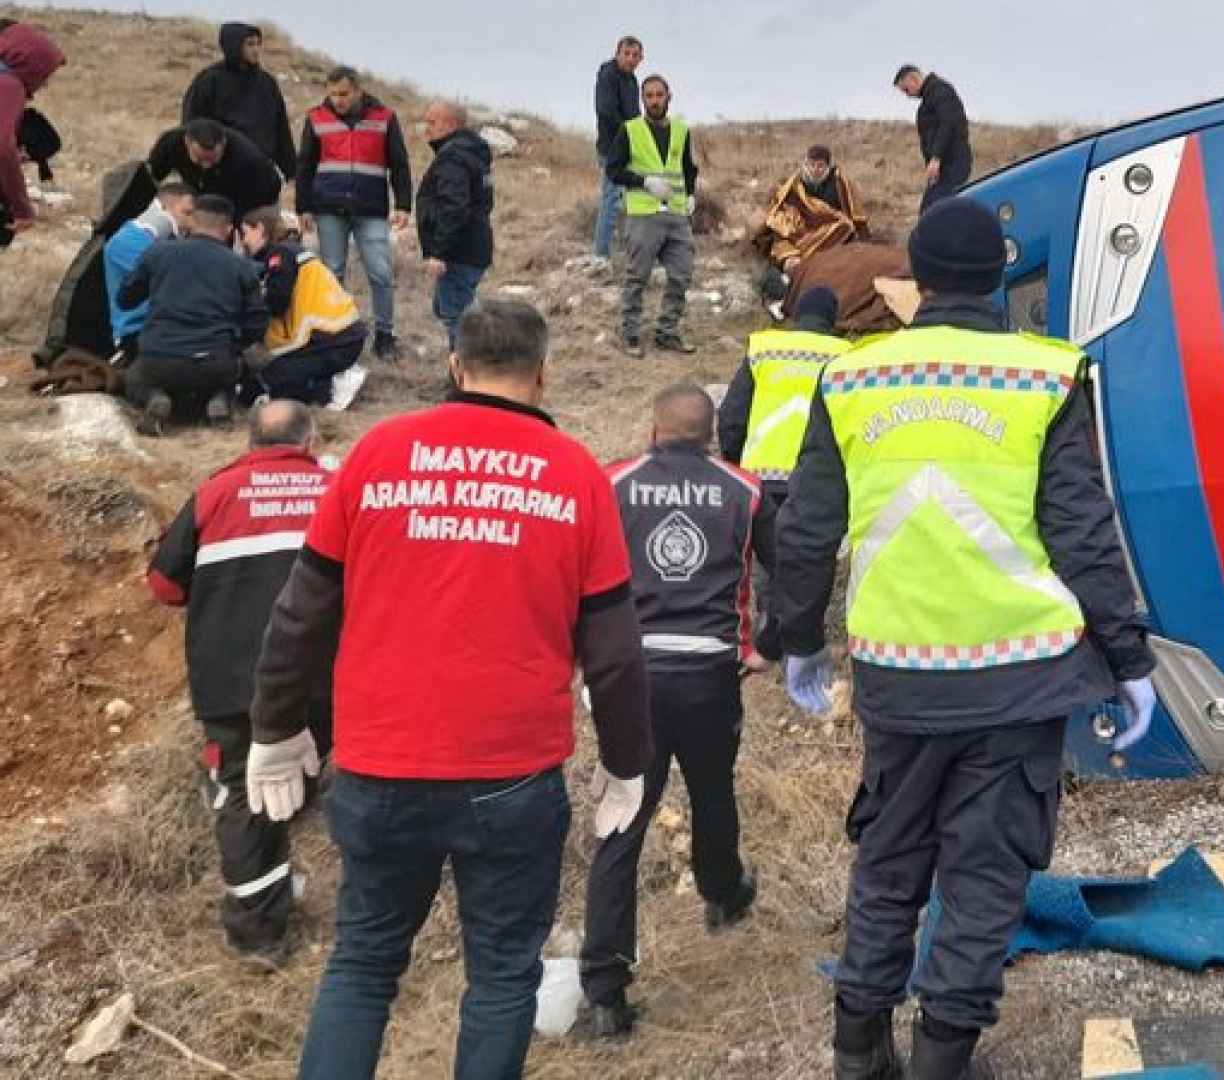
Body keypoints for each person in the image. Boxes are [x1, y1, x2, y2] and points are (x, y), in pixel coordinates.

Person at [775, 198, 1157, 1078]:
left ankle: (857, 1054)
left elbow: (806, 528)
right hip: (1020, 678)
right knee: (986, 876)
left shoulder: (854, 377)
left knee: (888, 861)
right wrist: (1128, 657)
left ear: (916, 279)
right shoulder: (1047, 376)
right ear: (999, 281)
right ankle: (943, 1060)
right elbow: (1082, 531)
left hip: (899, 677)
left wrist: (800, 640)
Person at [246, 297, 654, 1080]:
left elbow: (300, 611)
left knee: (363, 963)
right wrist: (627, 759)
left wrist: (274, 724)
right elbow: (614, 650)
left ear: (456, 368)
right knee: (502, 975)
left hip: (379, 763)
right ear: (542, 374)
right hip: (510, 775)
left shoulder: (377, 452)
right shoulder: (576, 474)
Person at [581, 383, 777, 1040]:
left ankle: (606, 986)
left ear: (653, 428)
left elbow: (577, 572)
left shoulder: (612, 483)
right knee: (713, 788)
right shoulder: (745, 492)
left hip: (631, 676)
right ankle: (722, 891)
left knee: (622, 820)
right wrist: (770, 645)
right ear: (713, 431)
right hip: (708, 672)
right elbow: (793, 564)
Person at [148, 400, 332, 966]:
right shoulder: (336, 491)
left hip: (233, 684)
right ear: (311, 438)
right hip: (326, 678)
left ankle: (259, 940)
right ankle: (370, 928)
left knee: (241, 798)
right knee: (351, 782)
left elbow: (163, 586)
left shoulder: (213, 494)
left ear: (249, 442)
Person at [719, 286, 848, 656]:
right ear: (832, 320)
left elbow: (732, 414)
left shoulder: (765, 348)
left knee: (770, 552)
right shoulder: (844, 355)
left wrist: (733, 464)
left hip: (761, 471)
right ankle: (794, 631)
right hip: (814, 474)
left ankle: (770, 619)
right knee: (808, 554)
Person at [116, 194, 267, 436]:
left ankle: (155, 397)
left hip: (160, 358)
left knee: (134, 378)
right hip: (216, 361)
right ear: (229, 229)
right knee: (230, 376)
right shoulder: (242, 267)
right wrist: (234, 344)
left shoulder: (158, 253)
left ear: (192, 221)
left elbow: (125, 299)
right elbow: (257, 323)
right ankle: (219, 400)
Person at [296, 66, 412, 360]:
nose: (338, 100)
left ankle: (385, 336)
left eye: (344, 93)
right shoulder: (316, 118)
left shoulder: (384, 119)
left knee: (381, 273)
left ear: (358, 90)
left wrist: (403, 204)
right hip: (328, 208)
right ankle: (334, 332)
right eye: (332, 94)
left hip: (371, 209)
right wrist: (303, 207)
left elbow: (399, 164)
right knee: (332, 273)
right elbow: (305, 165)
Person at [238, 207, 368, 407]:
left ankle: (333, 386)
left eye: (245, 233)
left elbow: (278, 301)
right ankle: (324, 384)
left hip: (331, 338)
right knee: (275, 375)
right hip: (339, 337)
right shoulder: (296, 253)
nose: (244, 241)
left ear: (261, 229)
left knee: (268, 381)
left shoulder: (281, 255)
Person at [608, 74, 698, 356]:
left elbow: (687, 168)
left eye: (660, 95)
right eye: (649, 96)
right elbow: (613, 170)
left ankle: (667, 332)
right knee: (637, 277)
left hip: (676, 213)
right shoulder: (630, 130)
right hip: (644, 214)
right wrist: (644, 181)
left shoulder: (682, 130)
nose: (655, 101)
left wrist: (691, 194)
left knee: (681, 275)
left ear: (669, 96)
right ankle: (631, 334)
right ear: (643, 99)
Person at [416, 100, 495, 351]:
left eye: (432, 122)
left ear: (450, 124)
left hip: (458, 252)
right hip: (471, 248)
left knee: (457, 320)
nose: (426, 128)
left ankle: (464, 381)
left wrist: (439, 251)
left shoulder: (454, 157)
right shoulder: (471, 153)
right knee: (447, 309)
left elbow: (454, 207)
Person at [180, 22, 298, 181]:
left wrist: (291, 170)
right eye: (250, 44)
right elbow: (192, 124)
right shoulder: (210, 80)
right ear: (233, 45)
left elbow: (281, 128)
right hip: (220, 172)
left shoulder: (266, 83)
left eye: (258, 44)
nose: (256, 49)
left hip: (261, 172)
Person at [103, 183, 196, 362]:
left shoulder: (167, 242)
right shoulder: (128, 241)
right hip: (141, 332)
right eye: (187, 213)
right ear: (163, 207)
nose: (191, 222)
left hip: (166, 330)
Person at [754, 144, 870, 284]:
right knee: (782, 229)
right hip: (799, 232)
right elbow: (780, 208)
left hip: (827, 235)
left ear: (828, 167)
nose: (815, 170)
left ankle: (807, 264)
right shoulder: (795, 184)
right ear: (806, 165)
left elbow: (855, 217)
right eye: (812, 165)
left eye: (820, 166)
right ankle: (791, 265)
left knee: (844, 227)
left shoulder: (840, 184)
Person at [0, 20, 64, 239]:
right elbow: (2, 145)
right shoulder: (8, 84)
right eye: (44, 73)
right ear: (30, 61)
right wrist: (22, 208)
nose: (43, 83)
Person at [146, 118, 283, 216]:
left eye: (212, 159)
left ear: (223, 144)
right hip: (203, 191)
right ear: (186, 142)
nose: (206, 165)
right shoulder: (170, 143)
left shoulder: (247, 160)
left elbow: (247, 207)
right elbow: (152, 178)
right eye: (199, 159)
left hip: (258, 200)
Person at [892, 65, 971, 211]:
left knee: (937, 212)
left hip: (953, 164)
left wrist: (936, 158)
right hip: (942, 169)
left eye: (906, 90)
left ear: (914, 78)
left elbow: (948, 124)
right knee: (928, 211)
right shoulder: (929, 98)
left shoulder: (941, 91)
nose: (907, 95)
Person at [591, 36, 643, 261]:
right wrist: (628, 135)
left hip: (631, 149)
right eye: (627, 53)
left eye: (635, 55)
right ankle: (601, 256)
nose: (631, 59)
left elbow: (635, 115)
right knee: (611, 201)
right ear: (617, 53)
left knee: (630, 201)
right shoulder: (608, 76)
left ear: (641, 58)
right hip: (612, 149)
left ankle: (627, 249)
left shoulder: (632, 80)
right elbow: (606, 111)